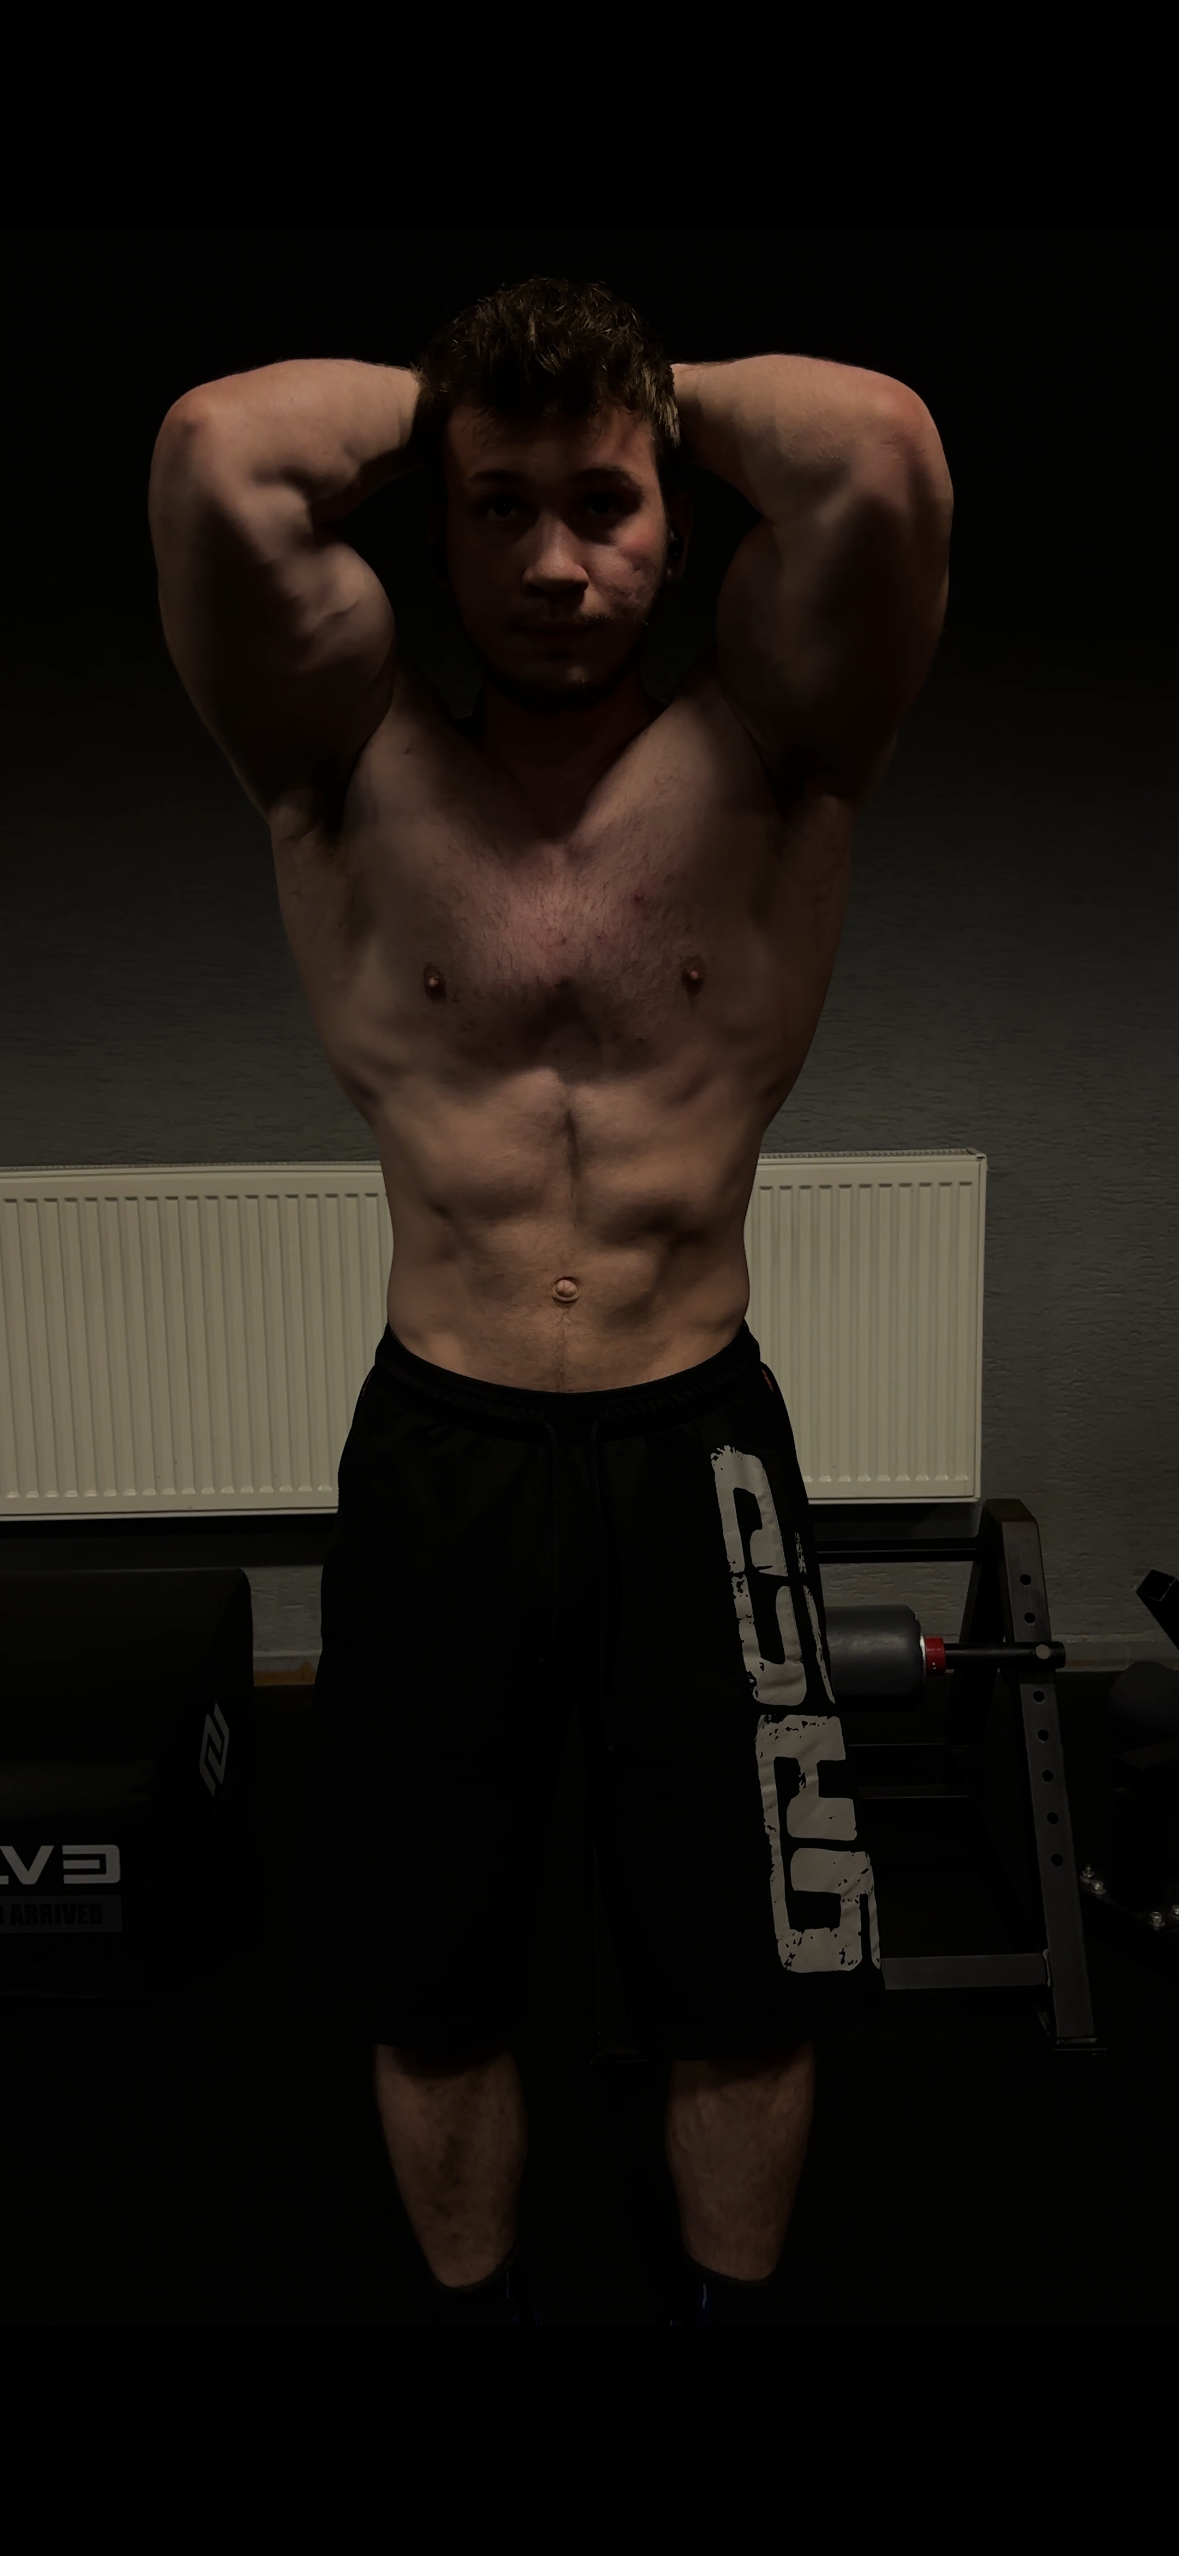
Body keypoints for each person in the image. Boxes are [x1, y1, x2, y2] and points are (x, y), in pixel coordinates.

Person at [149, 274, 953, 2327]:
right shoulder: (342, 755)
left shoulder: (781, 746)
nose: (553, 562)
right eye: (496, 508)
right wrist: (469, 405)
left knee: (745, 1971)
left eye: (603, 502)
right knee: (430, 1978)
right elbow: (218, 453)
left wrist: (641, 392)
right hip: (445, 1442)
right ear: (434, 523)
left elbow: (877, 448)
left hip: (701, 1448)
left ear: (675, 510)